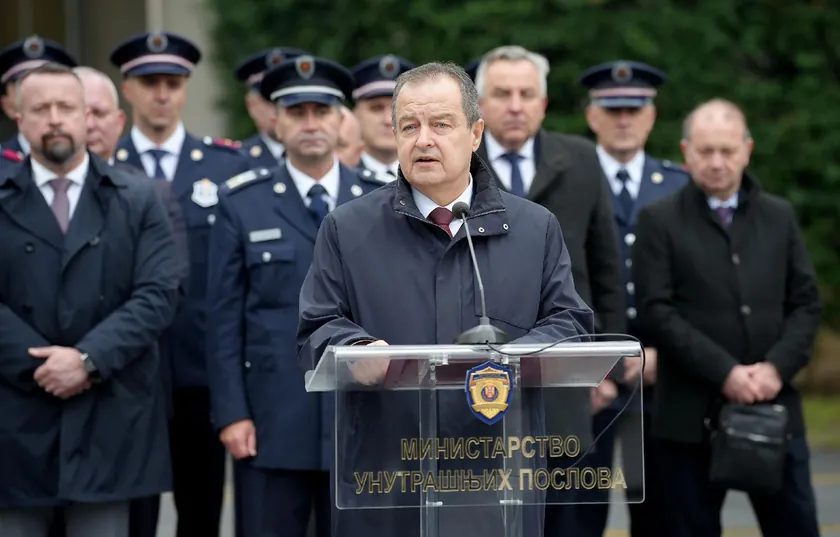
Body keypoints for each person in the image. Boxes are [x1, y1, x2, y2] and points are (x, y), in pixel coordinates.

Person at [297, 61, 594, 537]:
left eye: (441, 124)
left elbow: (570, 322)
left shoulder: (534, 228)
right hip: (386, 475)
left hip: (496, 475)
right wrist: (353, 349)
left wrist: (517, 358)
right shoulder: (347, 229)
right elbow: (317, 325)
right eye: (409, 126)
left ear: (475, 134)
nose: (423, 140)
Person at [207, 54, 384, 537]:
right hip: (272, 421)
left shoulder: (380, 201)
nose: (310, 123)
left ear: (340, 119)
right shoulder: (241, 202)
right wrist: (232, 413)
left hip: (360, 418)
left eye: (321, 111)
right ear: (276, 121)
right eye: (296, 112)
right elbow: (223, 321)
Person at [0, 62, 178, 537]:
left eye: (66, 107)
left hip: (108, 419)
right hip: (15, 423)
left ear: (87, 117)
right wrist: (42, 365)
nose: (55, 118)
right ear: (19, 119)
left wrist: (87, 359)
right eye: (41, 109)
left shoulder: (137, 197)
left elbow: (159, 293)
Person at [633, 99, 822, 537]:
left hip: (772, 408)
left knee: (796, 526)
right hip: (688, 419)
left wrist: (775, 369)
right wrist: (726, 373)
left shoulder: (779, 217)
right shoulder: (658, 221)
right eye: (705, 151)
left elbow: (806, 305)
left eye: (727, 150)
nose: (717, 162)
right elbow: (656, 312)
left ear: (747, 150)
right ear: (686, 152)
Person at [472, 44, 625, 534]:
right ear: (479, 104)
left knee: (565, 519)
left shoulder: (579, 160)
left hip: (566, 380)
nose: (515, 106)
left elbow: (605, 271)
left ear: (543, 103)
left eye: (526, 94)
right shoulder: (459, 162)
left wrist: (605, 367)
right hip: (479, 379)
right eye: (502, 94)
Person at [109, 31, 251, 537]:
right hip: (127, 370)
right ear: (127, 89)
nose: (162, 94)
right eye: (149, 82)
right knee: (130, 516)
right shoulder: (105, 166)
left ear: (185, 88)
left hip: (199, 370)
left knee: (201, 511)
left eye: (172, 83)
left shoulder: (226, 165)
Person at [572, 60, 689, 537]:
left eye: (634, 109)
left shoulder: (679, 184)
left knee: (664, 510)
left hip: (661, 369)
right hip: (588, 371)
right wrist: (588, 360)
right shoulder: (570, 181)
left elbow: (696, 282)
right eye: (612, 109)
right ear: (591, 116)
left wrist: (669, 353)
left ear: (652, 116)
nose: (623, 119)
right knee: (580, 509)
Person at [74, 64, 189, 537]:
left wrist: (87, 357)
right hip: (37, 391)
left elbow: (167, 288)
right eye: (79, 111)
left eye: (99, 112)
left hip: (125, 394)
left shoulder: (148, 194)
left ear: (117, 120)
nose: (89, 124)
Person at [0, 35, 78, 154]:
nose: (40, 95)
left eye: (49, 84)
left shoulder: (89, 160)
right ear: (7, 106)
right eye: (23, 85)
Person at [234, 47, 308, 167]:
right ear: (251, 106)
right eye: (270, 100)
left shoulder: (334, 157)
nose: (279, 110)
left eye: (289, 101)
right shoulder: (234, 164)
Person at [350, 54, 415, 180]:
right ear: (356, 114)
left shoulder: (433, 177)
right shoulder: (339, 180)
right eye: (376, 108)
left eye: (397, 108)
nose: (388, 120)